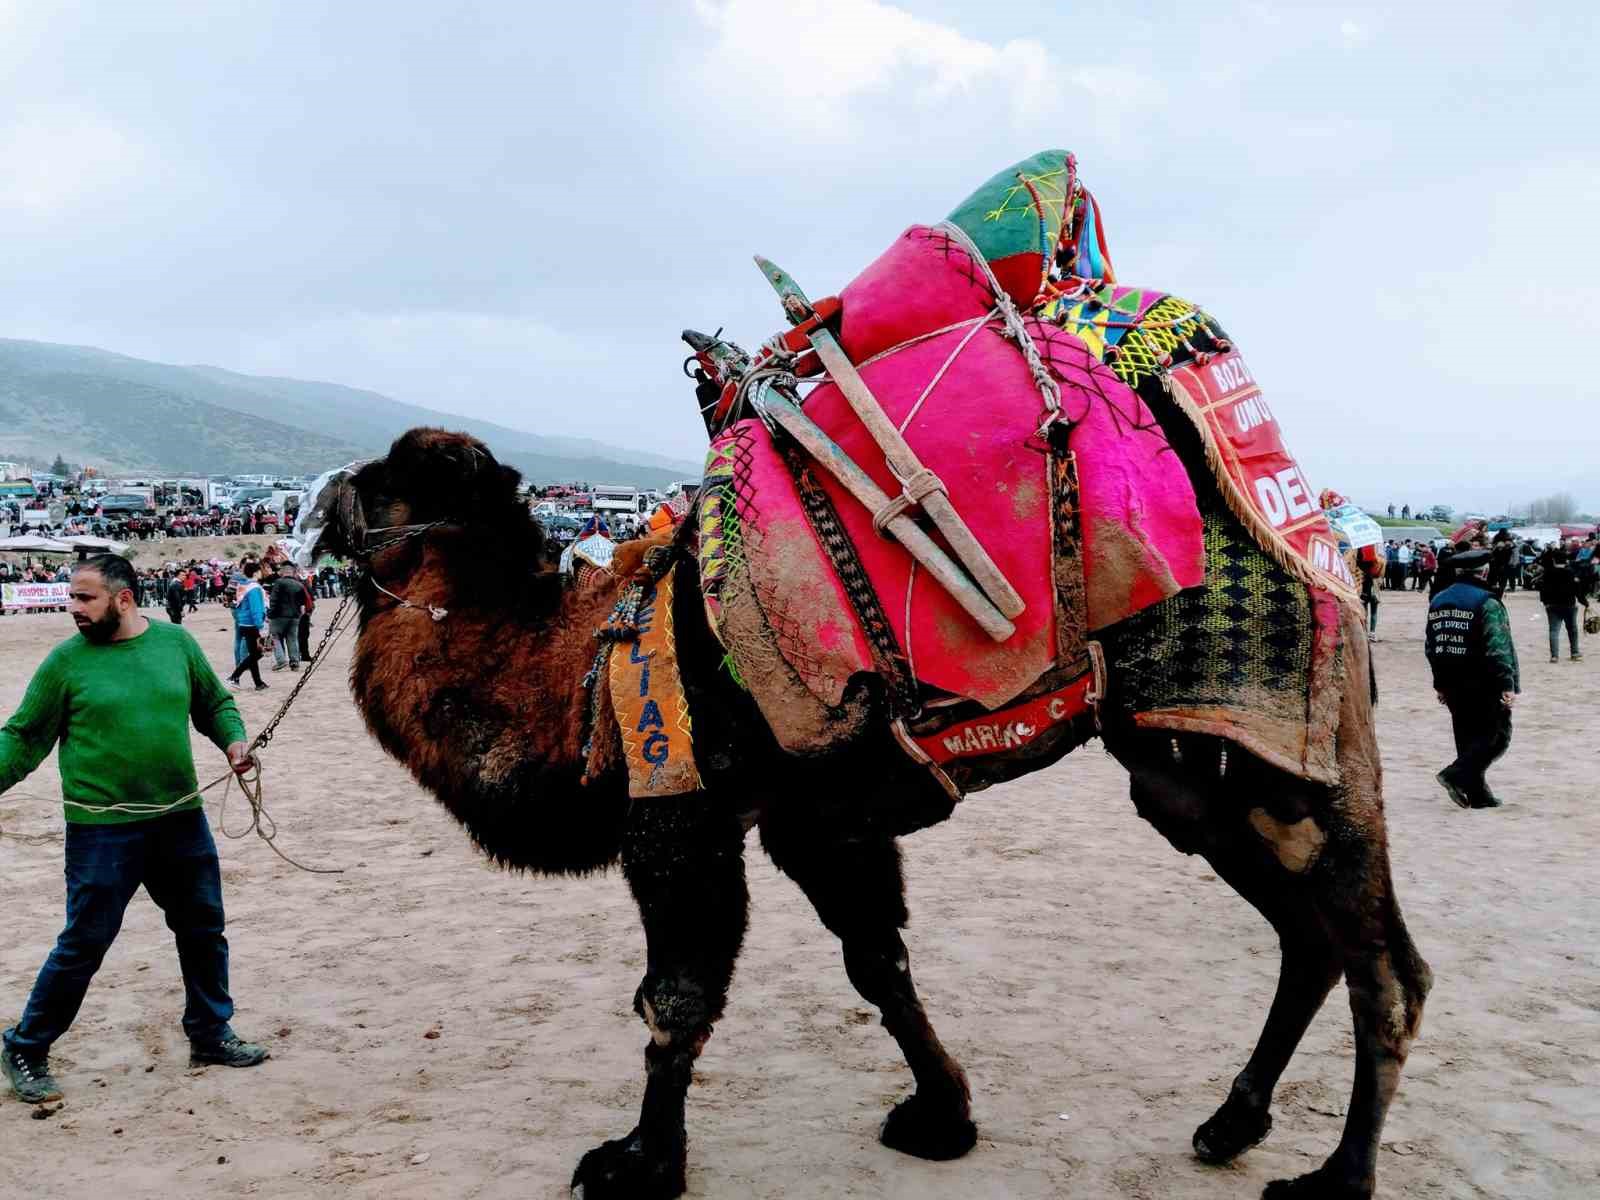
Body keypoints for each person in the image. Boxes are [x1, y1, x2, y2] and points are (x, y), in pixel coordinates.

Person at [0, 555, 268, 1105]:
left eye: (84, 598)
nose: (72, 608)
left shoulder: (176, 645)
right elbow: (24, 738)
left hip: (180, 820)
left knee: (202, 930)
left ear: (123, 599)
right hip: (102, 831)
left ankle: (211, 1034)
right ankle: (26, 1045)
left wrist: (234, 742)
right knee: (85, 942)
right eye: (71, 597)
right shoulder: (65, 664)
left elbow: (214, 703)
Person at [1425, 548, 1519, 809]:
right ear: (1484, 571)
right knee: (1497, 736)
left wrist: (1439, 683)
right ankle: (1452, 774)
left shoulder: (1438, 600)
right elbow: (1497, 646)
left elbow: (1432, 646)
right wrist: (1507, 683)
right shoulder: (1487, 602)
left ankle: (1478, 795)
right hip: (1483, 679)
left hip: (1451, 679)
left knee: (1466, 736)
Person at [1537, 544, 1583, 663]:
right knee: (1572, 629)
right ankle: (1575, 652)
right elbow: (1577, 590)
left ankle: (1554, 656)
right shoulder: (1570, 572)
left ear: (1553, 560)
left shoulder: (1548, 573)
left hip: (1552, 605)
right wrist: (1585, 602)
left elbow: (1542, 589)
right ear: (1566, 560)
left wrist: (1544, 602)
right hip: (1569, 604)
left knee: (1553, 630)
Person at [227, 562, 268, 690]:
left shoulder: (244, 586)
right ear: (256, 572)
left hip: (244, 622)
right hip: (252, 624)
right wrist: (260, 626)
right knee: (258, 653)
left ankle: (258, 682)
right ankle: (234, 676)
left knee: (253, 653)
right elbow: (256, 609)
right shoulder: (255, 588)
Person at [266, 562, 306, 672]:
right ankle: (295, 662)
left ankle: (281, 660)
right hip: (294, 616)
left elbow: (273, 600)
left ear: (282, 572)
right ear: (293, 573)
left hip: (279, 615)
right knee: (292, 638)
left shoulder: (279, 582)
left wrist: (270, 614)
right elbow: (303, 604)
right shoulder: (299, 584)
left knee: (276, 637)